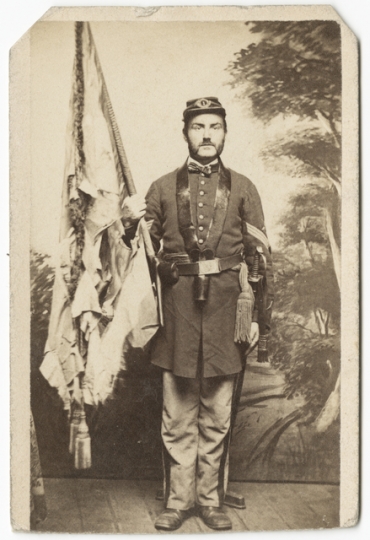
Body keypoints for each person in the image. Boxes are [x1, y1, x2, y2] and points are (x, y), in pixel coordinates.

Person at [144, 97, 274, 531]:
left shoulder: (244, 187)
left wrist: (254, 316)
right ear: (185, 132)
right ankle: (178, 502)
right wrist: (128, 224)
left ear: (224, 133)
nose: (206, 134)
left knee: (217, 414)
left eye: (214, 127)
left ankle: (210, 500)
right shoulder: (162, 187)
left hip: (225, 311)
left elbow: (259, 258)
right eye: (198, 126)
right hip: (177, 310)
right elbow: (139, 248)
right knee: (177, 413)